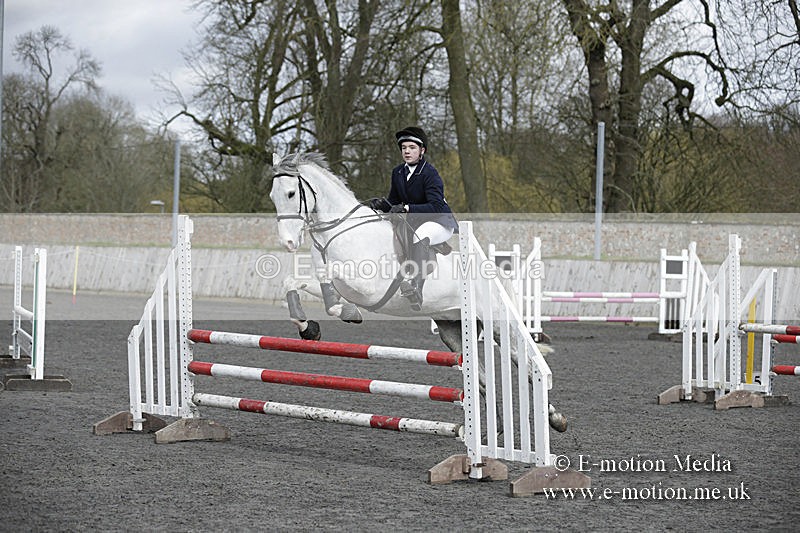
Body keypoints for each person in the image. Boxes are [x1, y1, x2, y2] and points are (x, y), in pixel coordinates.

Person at [369, 126, 458, 309]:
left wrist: (408, 207)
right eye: (404, 148)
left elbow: (436, 206)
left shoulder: (430, 173)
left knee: (421, 232)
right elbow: (394, 202)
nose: (407, 151)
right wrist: (382, 205)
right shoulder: (398, 172)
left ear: (422, 150)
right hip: (415, 221)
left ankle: (416, 286)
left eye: (412, 147)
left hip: (439, 221)